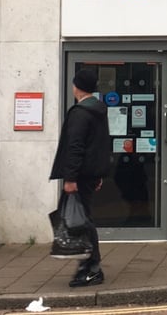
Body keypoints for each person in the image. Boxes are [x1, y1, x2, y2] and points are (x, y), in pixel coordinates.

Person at [50, 68, 111, 288]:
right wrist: (99, 173)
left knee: (82, 221)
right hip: (90, 174)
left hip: (80, 176)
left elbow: (75, 147)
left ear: (76, 86)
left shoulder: (80, 113)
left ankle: (92, 268)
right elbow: (101, 145)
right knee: (81, 218)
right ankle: (87, 265)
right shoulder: (98, 110)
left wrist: (70, 178)